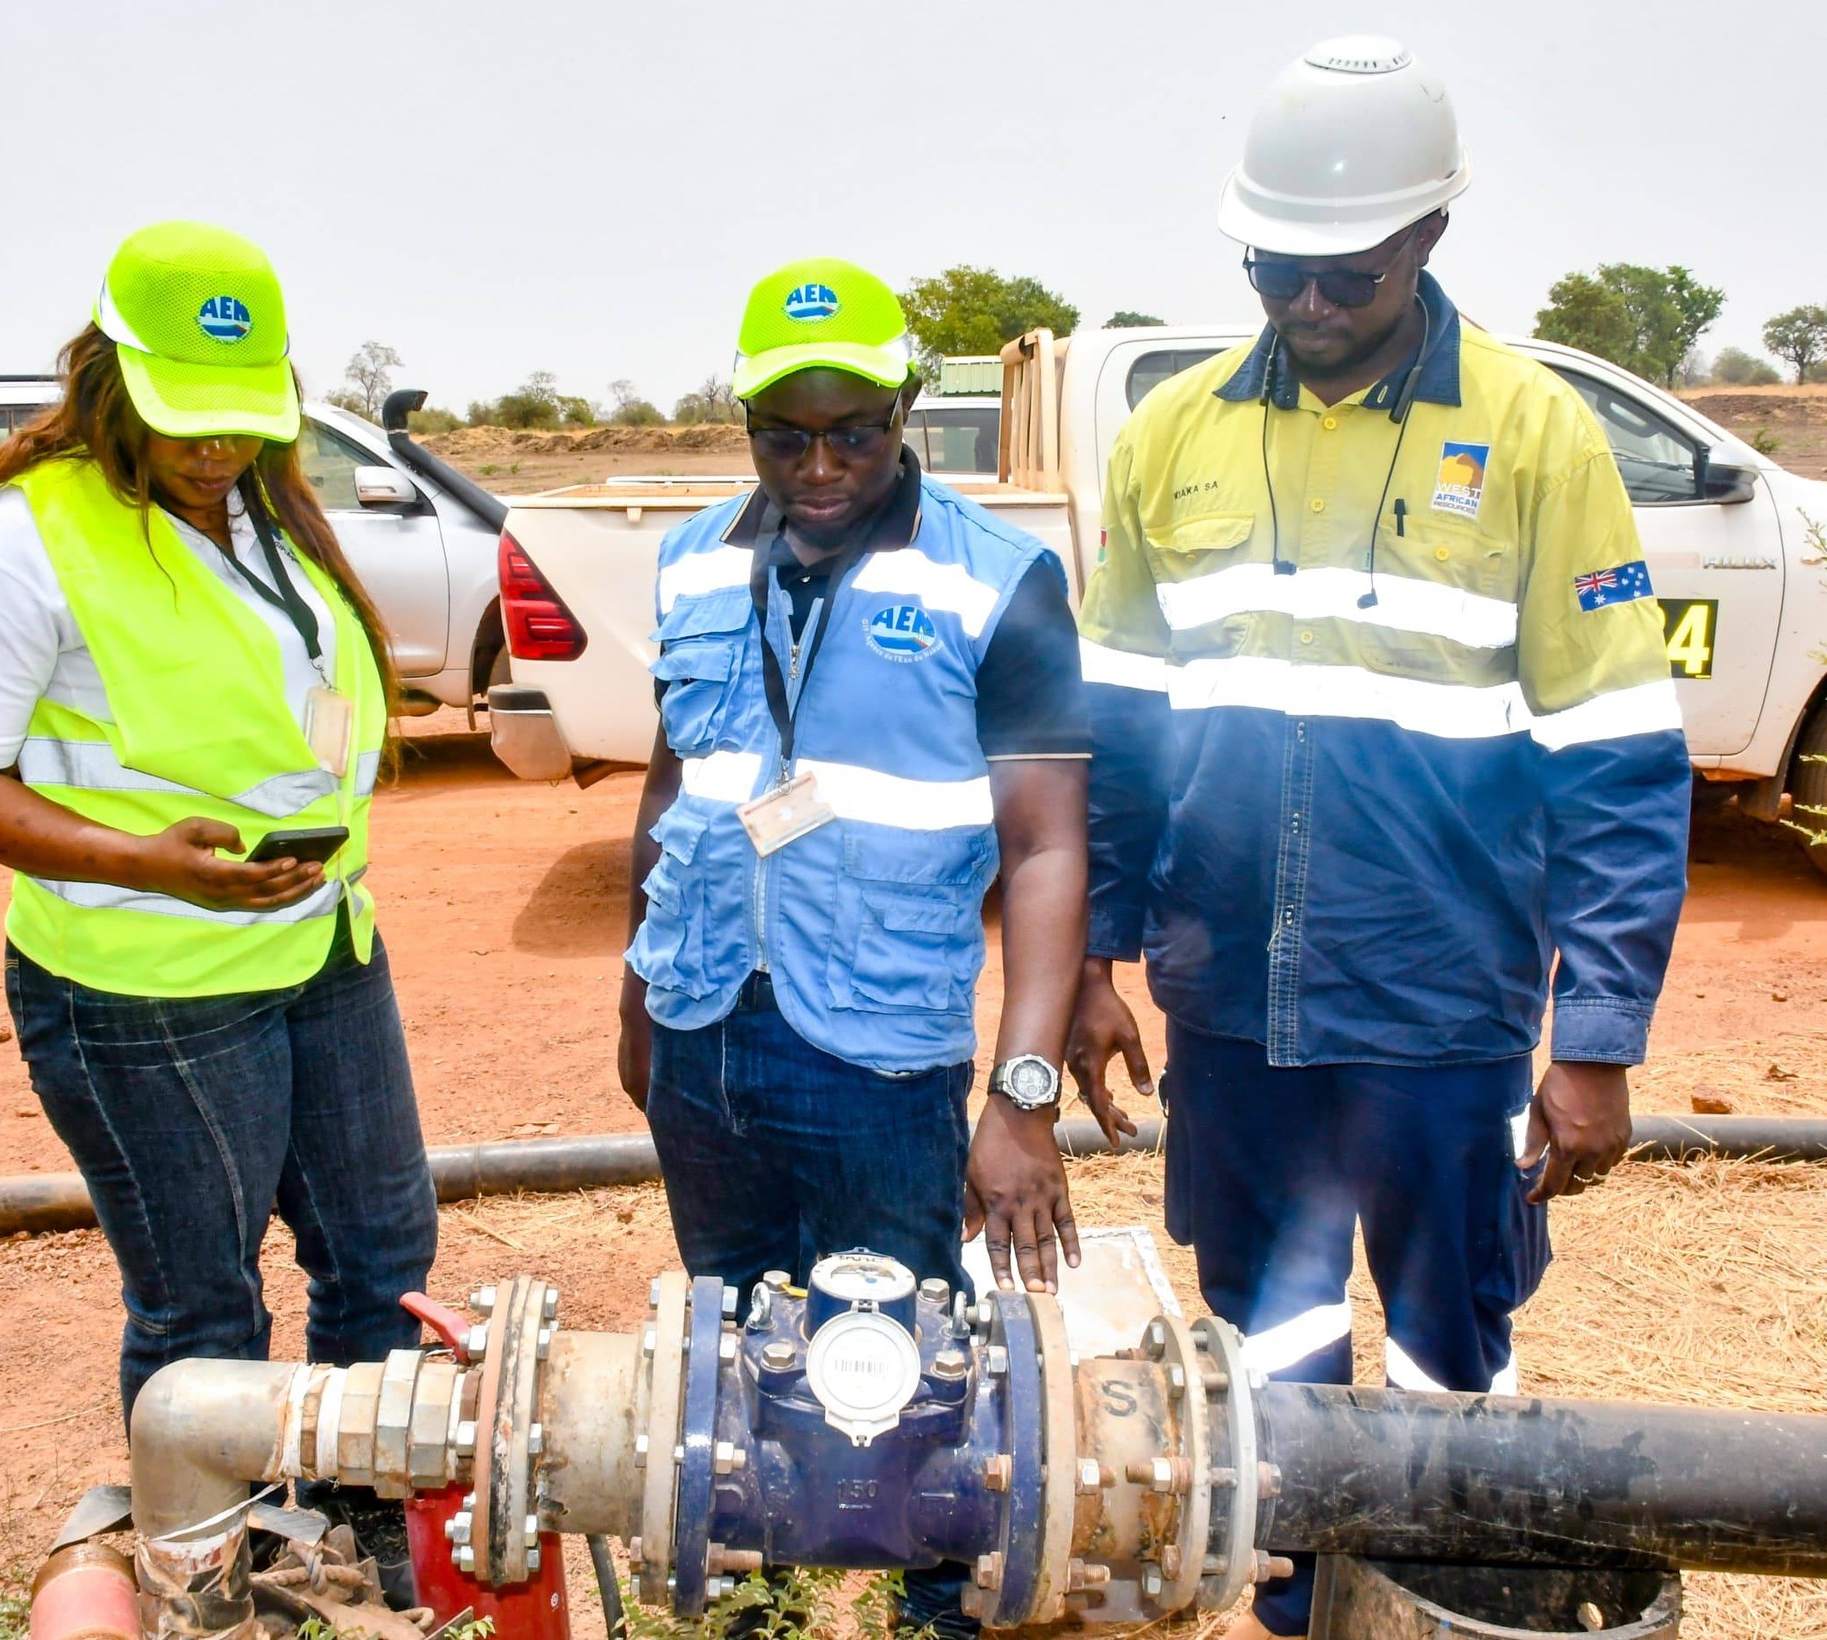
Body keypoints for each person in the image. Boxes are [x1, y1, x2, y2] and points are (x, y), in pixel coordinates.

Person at [1065, 41, 1692, 1640]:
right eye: (1272, 262)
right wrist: (1092, 961)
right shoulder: (1172, 437)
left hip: (1440, 1007)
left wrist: (1599, 1034)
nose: (1304, 298)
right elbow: (1121, 734)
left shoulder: (1540, 439)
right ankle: (1296, 1603)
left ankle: (1430, 1601)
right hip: (1229, 1004)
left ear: (1425, 240)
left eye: (1343, 268)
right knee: (1264, 1339)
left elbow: (1617, 763)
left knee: (1444, 1348)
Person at [0, 220, 437, 1433]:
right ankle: (218, 1573)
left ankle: (355, 1525)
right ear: (105, 376)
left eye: (245, 413)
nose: (219, 445)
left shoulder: (265, 510)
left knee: (382, 1256)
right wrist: (147, 863)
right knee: (202, 1310)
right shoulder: (17, 543)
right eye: (183, 415)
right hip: (145, 983)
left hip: (322, 947)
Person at [617, 258, 1090, 1636]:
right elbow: (676, 780)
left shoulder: (998, 584)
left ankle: (927, 1608)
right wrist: (641, 982)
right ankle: (756, 1604)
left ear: (908, 411)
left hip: (878, 1053)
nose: (820, 466)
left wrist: (1021, 1098)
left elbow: (1053, 846)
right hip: (704, 1021)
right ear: (746, 421)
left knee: (909, 1372)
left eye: (855, 431)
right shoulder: (692, 554)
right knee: (733, 1358)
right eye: (784, 435)